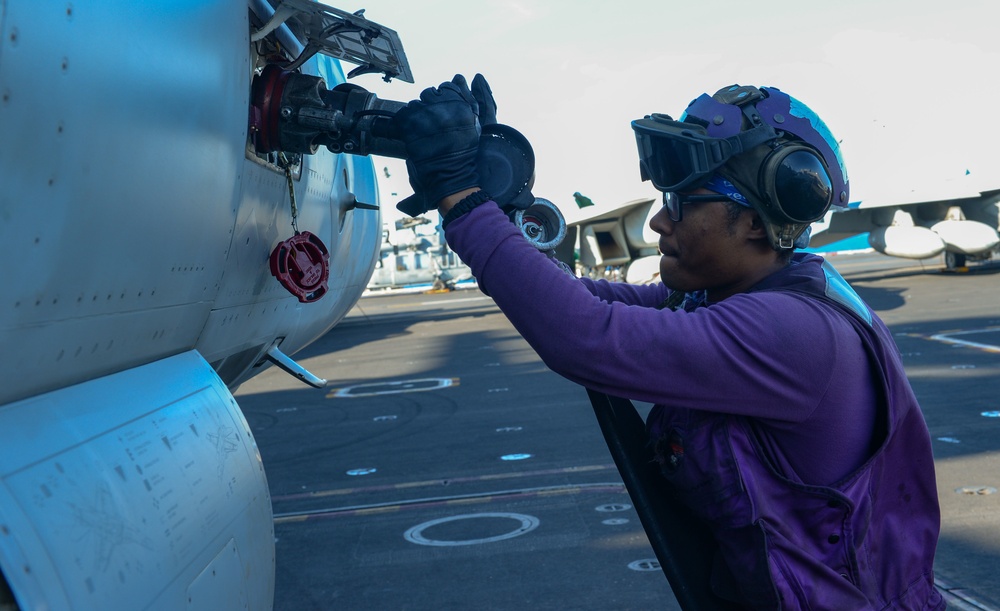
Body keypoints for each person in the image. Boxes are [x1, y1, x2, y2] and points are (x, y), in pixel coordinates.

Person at [392, 76, 943, 610]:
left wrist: (461, 199)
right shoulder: (747, 295)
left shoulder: (792, 334)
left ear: (753, 220)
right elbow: (579, 302)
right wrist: (498, 203)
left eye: (681, 203)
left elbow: (584, 336)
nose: (659, 221)